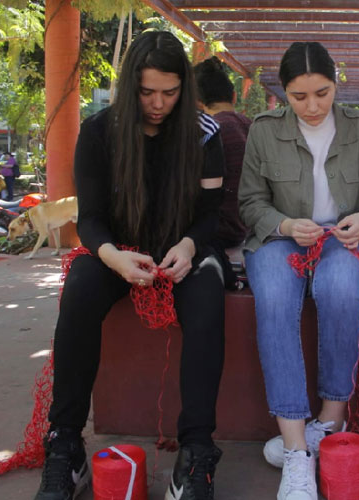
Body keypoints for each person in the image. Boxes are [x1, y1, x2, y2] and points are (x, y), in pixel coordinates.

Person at [34, 31, 226, 500]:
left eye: (170, 91)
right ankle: (65, 445)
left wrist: (188, 244)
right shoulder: (100, 132)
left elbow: (212, 214)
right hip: (117, 251)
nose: (158, 103)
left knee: (207, 293)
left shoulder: (204, 134)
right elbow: (92, 218)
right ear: (129, 87)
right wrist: (114, 257)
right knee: (80, 287)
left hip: (183, 250)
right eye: (146, 92)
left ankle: (196, 450)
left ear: (184, 88)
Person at [238, 41, 359, 500]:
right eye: (298, 96)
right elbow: (250, 202)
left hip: (342, 240)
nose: (312, 106)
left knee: (340, 286)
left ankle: (330, 422)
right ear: (283, 93)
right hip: (279, 238)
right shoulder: (264, 131)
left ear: (337, 85)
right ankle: (296, 451)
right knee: (273, 298)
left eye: (322, 93)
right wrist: (286, 223)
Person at [193, 56, 251, 249]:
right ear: (234, 96)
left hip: (217, 231)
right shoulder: (253, 127)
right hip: (248, 228)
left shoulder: (207, 132)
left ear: (198, 103)